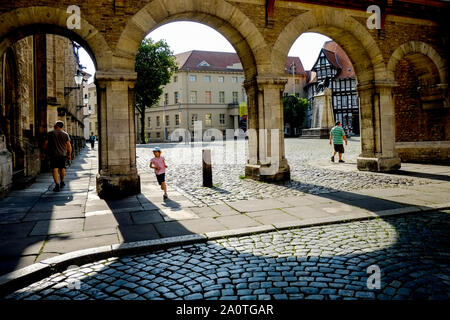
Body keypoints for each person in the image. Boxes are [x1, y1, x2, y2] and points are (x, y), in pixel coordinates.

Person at [42, 121, 72, 192]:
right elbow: (69, 146)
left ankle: (57, 185)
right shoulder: (65, 134)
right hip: (63, 154)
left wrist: (43, 152)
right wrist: (69, 154)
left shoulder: (50, 133)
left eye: (54, 124)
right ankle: (62, 181)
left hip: (53, 154)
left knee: (54, 169)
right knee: (62, 168)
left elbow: (45, 144)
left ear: (56, 125)